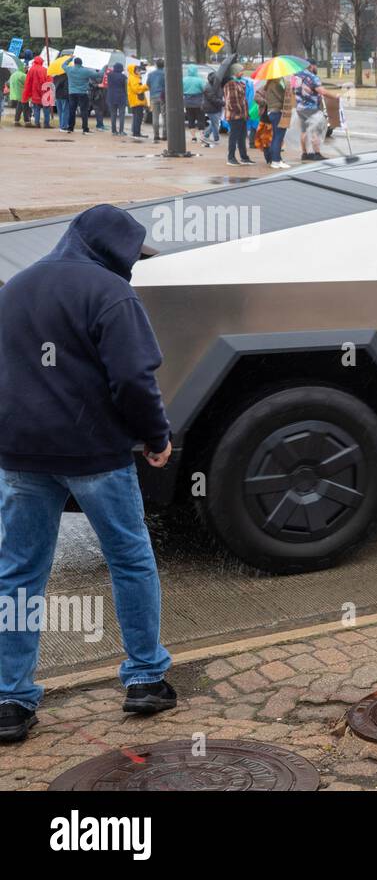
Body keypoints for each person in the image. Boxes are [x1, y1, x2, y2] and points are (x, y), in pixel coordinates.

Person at [0, 205, 177, 744]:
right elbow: (133, 377)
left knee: (19, 575)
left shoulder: (16, 287)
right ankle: (145, 678)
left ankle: (10, 699)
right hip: (96, 456)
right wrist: (156, 436)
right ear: (113, 252)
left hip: (21, 456)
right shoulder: (110, 293)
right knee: (129, 561)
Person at [259, 74, 295, 168]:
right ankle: (276, 160)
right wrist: (289, 89)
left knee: (276, 137)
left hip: (272, 112)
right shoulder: (275, 85)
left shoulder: (269, 84)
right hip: (277, 112)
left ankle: (276, 159)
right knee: (278, 137)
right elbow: (282, 97)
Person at [223, 64, 254, 166]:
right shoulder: (231, 84)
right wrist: (241, 112)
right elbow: (233, 102)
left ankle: (244, 157)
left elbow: (242, 99)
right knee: (234, 137)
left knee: (242, 137)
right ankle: (231, 158)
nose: (243, 73)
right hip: (235, 116)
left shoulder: (238, 83)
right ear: (235, 72)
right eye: (241, 71)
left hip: (242, 116)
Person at [295, 62, 327, 161]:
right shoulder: (312, 77)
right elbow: (321, 91)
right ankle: (316, 153)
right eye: (315, 66)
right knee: (315, 131)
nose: (316, 68)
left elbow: (294, 90)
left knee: (304, 131)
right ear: (311, 66)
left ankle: (304, 153)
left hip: (300, 107)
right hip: (312, 108)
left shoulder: (296, 76)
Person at [64, 57, 97, 134]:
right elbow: (98, 75)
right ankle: (85, 129)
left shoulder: (69, 69)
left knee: (72, 110)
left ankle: (70, 128)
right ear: (81, 63)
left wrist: (70, 58)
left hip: (72, 93)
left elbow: (63, 65)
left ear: (74, 63)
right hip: (83, 93)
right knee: (84, 111)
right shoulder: (86, 71)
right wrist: (104, 67)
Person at [21, 55, 50, 128]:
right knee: (46, 109)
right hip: (44, 92)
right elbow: (49, 81)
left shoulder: (31, 70)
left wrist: (27, 93)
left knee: (36, 109)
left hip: (35, 92)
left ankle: (37, 123)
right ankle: (46, 124)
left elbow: (28, 82)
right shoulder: (45, 70)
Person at [105, 62, 129, 136]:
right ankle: (121, 131)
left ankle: (114, 131)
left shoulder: (109, 75)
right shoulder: (124, 77)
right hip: (121, 97)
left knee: (113, 114)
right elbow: (126, 88)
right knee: (121, 115)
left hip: (111, 97)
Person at [201, 71, 224, 146]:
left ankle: (205, 135)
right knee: (215, 124)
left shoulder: (216, 86)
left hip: (216, 107)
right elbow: (213, 99)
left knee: (214, 123)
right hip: (211, 108)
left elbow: (219, 95)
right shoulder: (208, 87)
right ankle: (216, 139)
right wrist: (224, 103)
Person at [146, 58, 166, 142]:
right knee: (165, 116)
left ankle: (156, 135)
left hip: (154, 96)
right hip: (163, 96)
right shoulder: (165, 73)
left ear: (156, 65)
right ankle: (165, 135)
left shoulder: (151, 74)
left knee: (155, 116)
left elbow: (148, 84)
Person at [127, 64, 149, 137]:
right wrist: (146, 86)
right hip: (136, 101)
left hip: (137, 101)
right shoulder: (133, 78)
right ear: (133, 71)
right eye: (137, 70)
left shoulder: (136, 77)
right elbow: (136, 89)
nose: (138, 71)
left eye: (138, 70)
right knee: (138, 117)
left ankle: (136, 132)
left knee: (137, 117)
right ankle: (136, 133)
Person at [7, 62, 28, 127]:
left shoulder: (13, 74)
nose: (26, 69)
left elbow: (8, 84)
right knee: (25, 108)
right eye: (26, 68)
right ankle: (27, 121)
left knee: (19, 108)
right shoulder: (23, 75)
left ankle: (16, 121)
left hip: (15, 94)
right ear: (23, 68)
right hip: (22, 94)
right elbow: (27, 84)